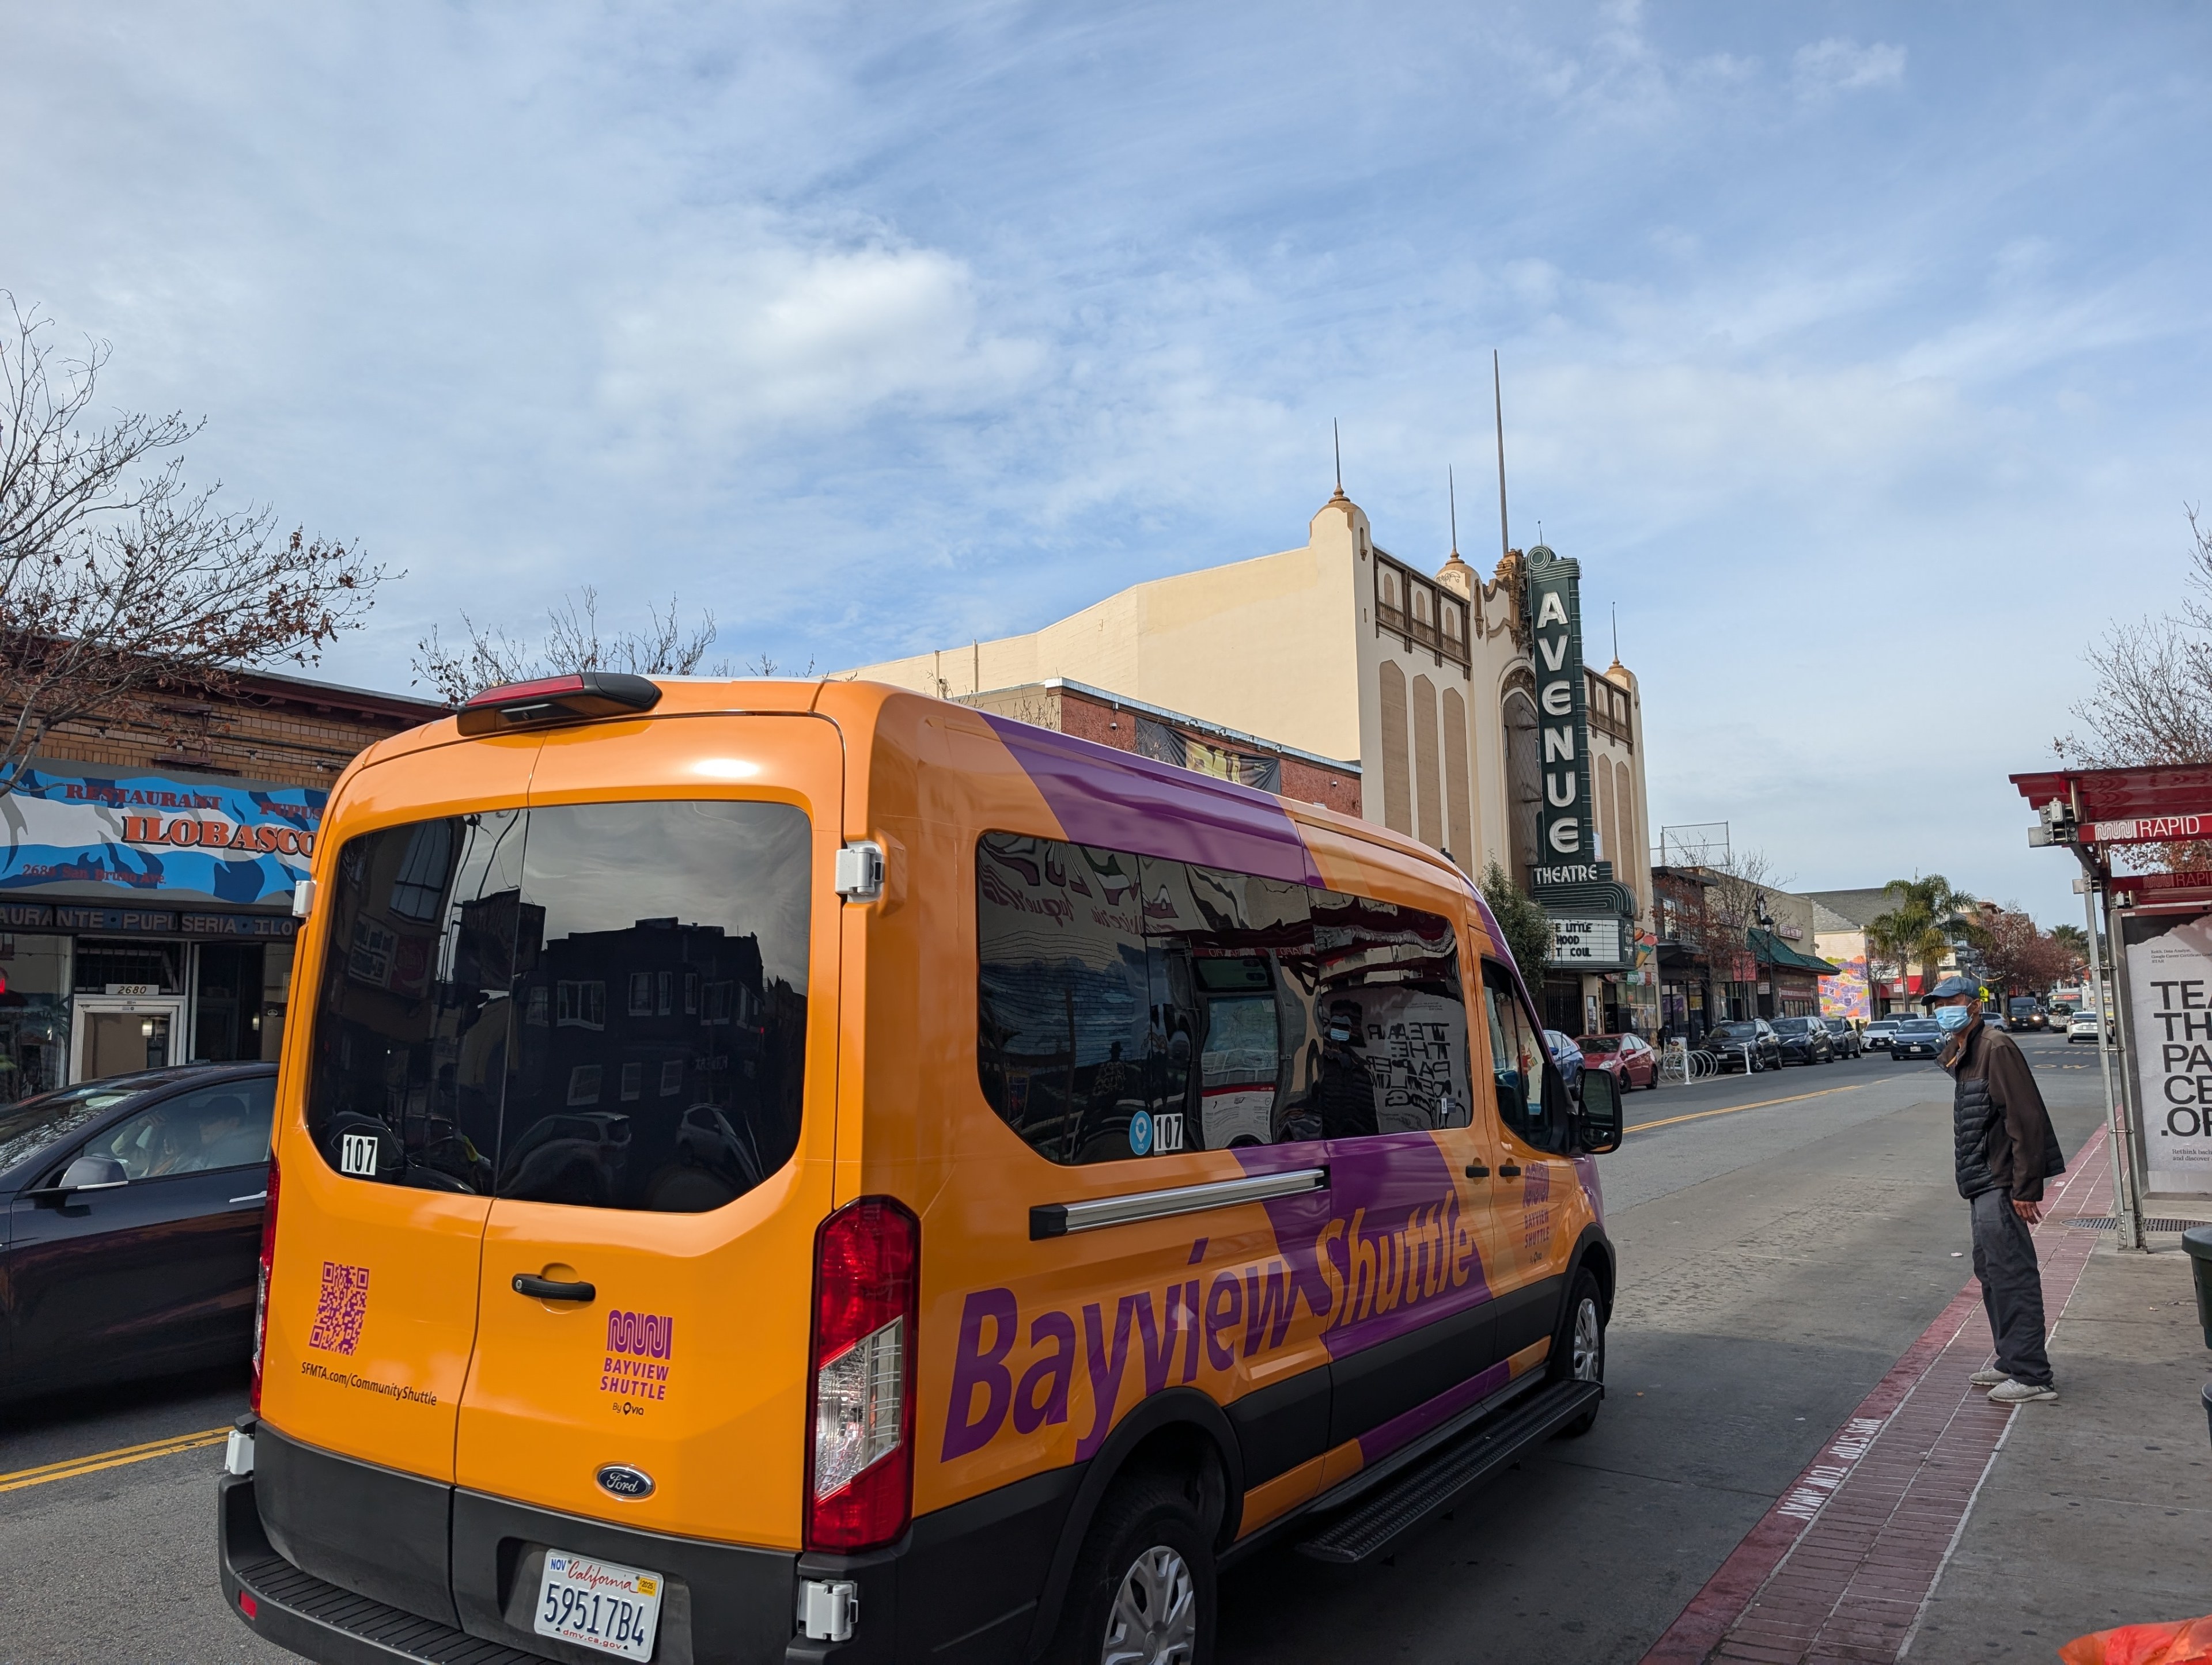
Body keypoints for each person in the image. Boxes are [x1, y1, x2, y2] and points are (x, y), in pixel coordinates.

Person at [1930, 975, 2065, 1405]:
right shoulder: (1967, 1050)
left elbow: (2024, 1120)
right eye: (1937, 1002)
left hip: (2001, 1181)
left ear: (1973, 1004)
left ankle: (2031, 1373)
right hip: (1982, 1182)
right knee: (1991, 1270)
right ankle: (2012, 1359)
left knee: (2011, 1273)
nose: (1942, 1008)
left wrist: (2026, 1187)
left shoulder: (1996, 1047)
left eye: (1951, 1000)